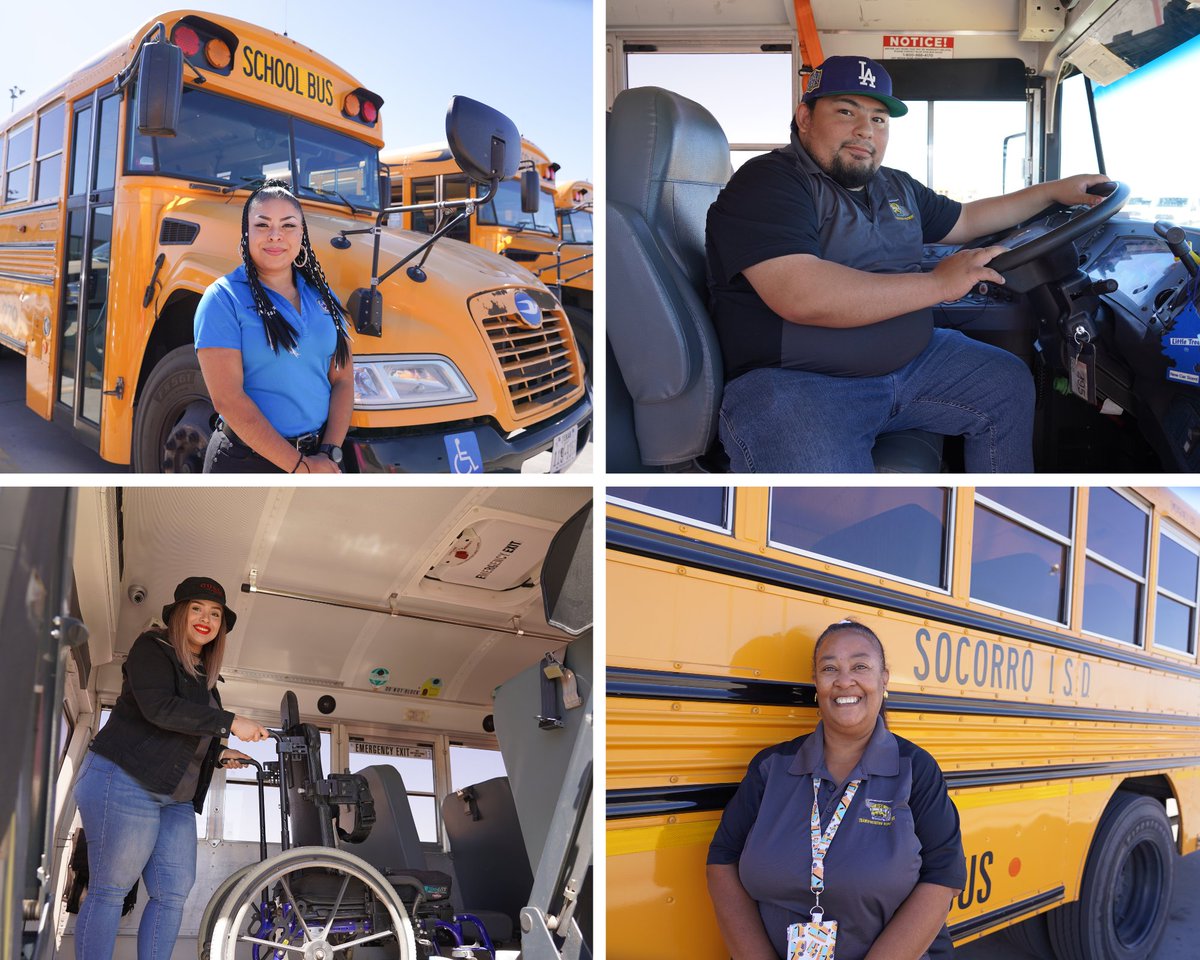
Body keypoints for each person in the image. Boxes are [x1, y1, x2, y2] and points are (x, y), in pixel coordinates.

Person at [706, 55, 1112, 472]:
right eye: (846, 111)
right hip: (798, 385)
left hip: (915, 365)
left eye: (880, 119)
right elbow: (801, 294)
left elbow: (967, 219)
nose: (865, 130)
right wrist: (939, 285)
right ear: (805, 117)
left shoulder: (895, 185)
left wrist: (1052, 192)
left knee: (1006, 381)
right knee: (826, 514)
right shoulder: (770, 182)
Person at [706, 620, 965, 960]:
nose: (845, 680)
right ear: (816, 682)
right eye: (830, 668)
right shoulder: (772, 767)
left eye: (860, 666)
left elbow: (944, 874)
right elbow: (722, 859)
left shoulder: (914, 769)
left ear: (883, 677)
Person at [73, 577, 270, 960]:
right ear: (179, 614)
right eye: (196, 608)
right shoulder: (153, 647)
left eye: (215, 614)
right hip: (126, 777)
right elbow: (159, 708)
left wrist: (220, 752)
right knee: (111, 888)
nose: (206, 619)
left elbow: (188, 734)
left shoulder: (206, 680)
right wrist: (231, 722)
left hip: (175, 798)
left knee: (173, 892)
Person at [195, 180, 354, 474]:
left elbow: (343, 379)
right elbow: (228, 399)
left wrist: (329, 453)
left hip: (318, 457)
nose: (275, 235)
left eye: (288, 225)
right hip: (246, 462)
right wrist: (301, 467)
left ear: (302, 234)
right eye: (262, 225)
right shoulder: (222, 298)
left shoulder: (322, 296)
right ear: (246, 233)